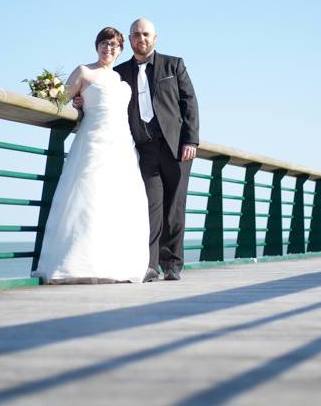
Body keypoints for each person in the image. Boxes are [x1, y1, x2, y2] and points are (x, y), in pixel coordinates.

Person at [32, 27, 150, 284]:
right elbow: (63, 99)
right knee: (87, 196)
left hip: (120, 145)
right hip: (92, 141)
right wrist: (74, 103)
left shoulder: (121, 81)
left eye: (115, 45)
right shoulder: (84, 72)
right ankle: (75, 262)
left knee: (116, 201)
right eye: (105, 44)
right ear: (97, 46)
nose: (109, 49)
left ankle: (113, 263)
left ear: (121, 50)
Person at [116, 18, 199, 281]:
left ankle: (172, 264)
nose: (142, 38)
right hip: (145, 148)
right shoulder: (119, 73)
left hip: (176, 148)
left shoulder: (174, 65)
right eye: (136, 34)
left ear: (155, 38)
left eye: (146, 34)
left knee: (174, 207)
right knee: (151, 207)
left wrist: (191, 140)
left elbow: (190, 103)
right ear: (130, 39)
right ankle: (150, 265)